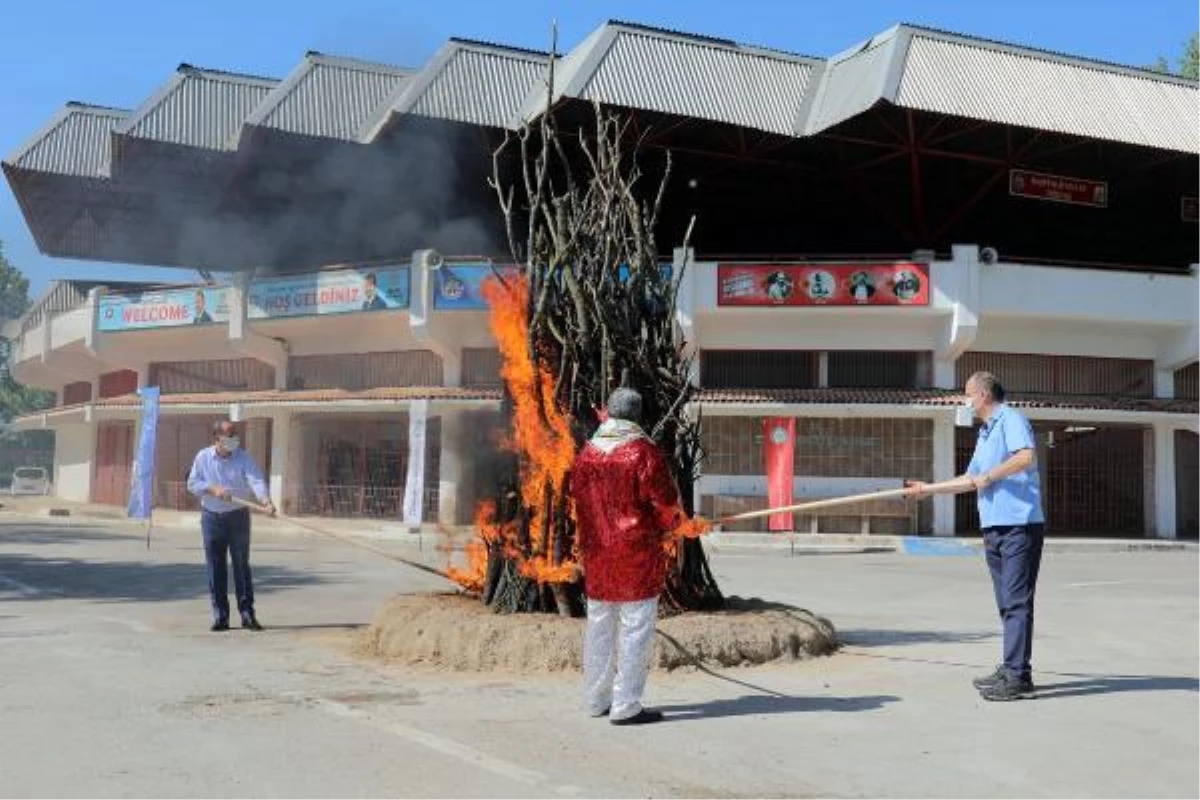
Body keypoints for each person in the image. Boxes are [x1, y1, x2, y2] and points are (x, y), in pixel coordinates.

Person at [905, 371, 1045, 701]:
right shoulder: (985, 434)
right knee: (1005, 603)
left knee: (1016, 603)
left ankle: (1018, 678)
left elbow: (1026, 456)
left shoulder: (1011, 418)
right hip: (994, 527)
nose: (964, 402)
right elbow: (970, 479)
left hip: (1019, 526)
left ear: (982, 395)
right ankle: (1013, 667)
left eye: (967, 395)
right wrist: (927, 490)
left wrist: (991, 475)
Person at [569, 388, 682, 725]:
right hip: (637, 555)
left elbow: (577, 500)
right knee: (635, 628)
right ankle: (626, 705)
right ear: (637, 415)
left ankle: (596, 699)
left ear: (609, 413)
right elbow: (665, 503)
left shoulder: (586, 454)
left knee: (599, 626)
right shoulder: (642, 452)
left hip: (597, 554)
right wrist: (678, 525)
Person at [186, 420, 275, 632]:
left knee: (241, 565)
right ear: (217, 439)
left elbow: (255, 480)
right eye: (229, 437)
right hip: (212, 518)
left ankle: (247, 614)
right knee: (215, 568)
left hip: (238, 518)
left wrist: (265, 501)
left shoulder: (243, 457)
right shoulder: (203, 457)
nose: (234, 440)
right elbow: (192, 483)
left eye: (235, 436)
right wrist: (212, 489)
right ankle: (221, 617)